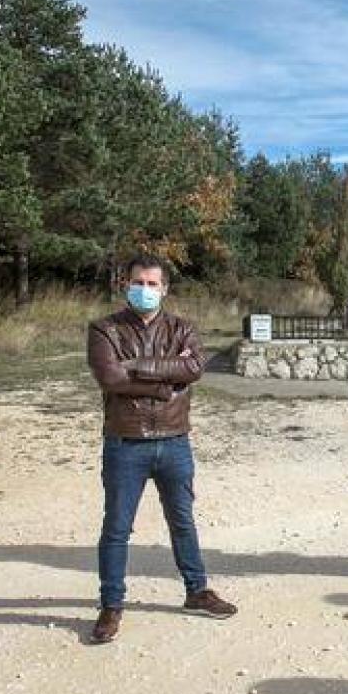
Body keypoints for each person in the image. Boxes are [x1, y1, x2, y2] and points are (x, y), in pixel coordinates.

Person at [86, 254, 237, 644]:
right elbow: (111, 378)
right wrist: (162, 381)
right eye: (139, 282)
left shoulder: (183, 328)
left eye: (153, 284)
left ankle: (196, 590)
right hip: (125, 443)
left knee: (182, 521)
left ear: (165, 290)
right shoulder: (104, 330)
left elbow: (193, 369)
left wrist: (135, 364)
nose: (145, 290)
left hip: (175, 441)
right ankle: (111, 604)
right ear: (126, 284)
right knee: (117, 528)